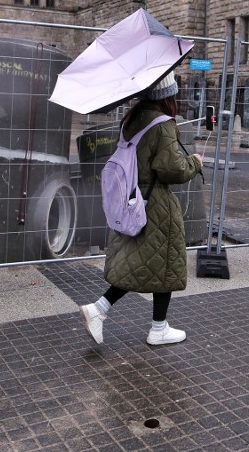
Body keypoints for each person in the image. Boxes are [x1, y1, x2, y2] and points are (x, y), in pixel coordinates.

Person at [80, 74, 203, 346]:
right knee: (165, 262)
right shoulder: (162, 124)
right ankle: (155, 328)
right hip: (155, 204)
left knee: (141, 263)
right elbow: (172, 170)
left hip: (133, 200)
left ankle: (101, 310)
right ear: (167, 95)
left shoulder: (132, 119)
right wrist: (194, 162)